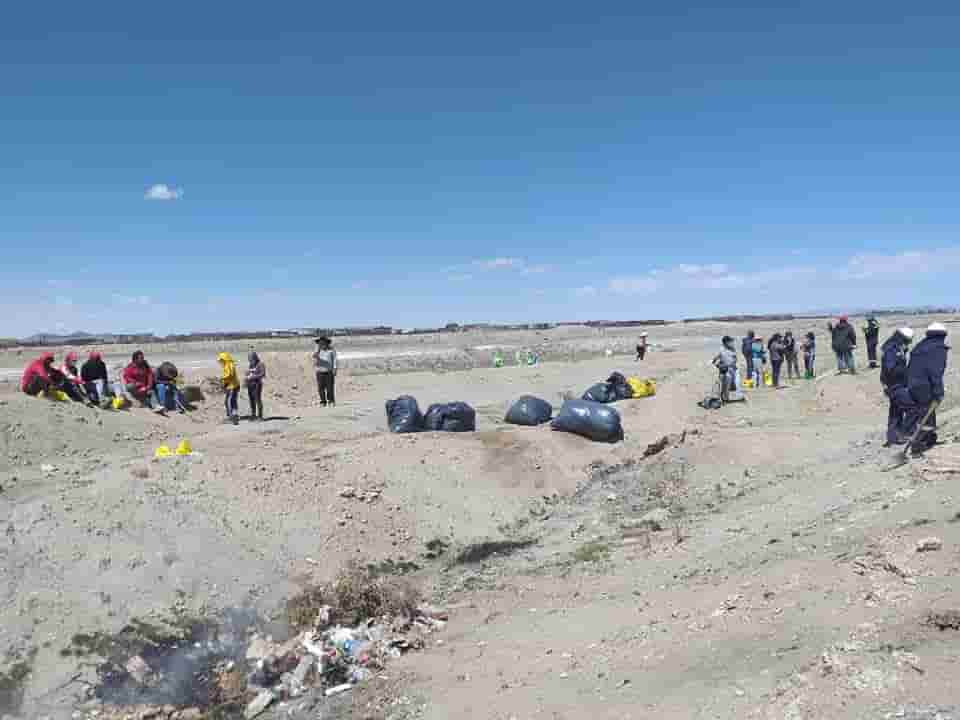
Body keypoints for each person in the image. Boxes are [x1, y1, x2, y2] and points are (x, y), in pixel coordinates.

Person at [894, 323, 949, 454]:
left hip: (913, 385)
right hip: (926, 386)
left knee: (924, 412)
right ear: (942, 335)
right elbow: (935, 372)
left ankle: (927, 438)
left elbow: (910, 368)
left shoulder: (920, 346)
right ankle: (918, 444)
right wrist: (938, 390)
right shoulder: (938, 348)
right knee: (926, 414)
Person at [880, 327, 914, 446]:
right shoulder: (892, 349)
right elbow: (890, 369)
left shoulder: (897, 347)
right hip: (895, 385)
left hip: (896, 384)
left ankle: (893, 437)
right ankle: (905, 433)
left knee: (895, 411)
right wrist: (905, 371)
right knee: (911, 407)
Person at [712, 336, 738, 404]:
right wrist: (719, 366)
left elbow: (735, 359)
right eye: (730, 342)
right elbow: (714, 360)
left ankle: (726, 398)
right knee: (722, 385)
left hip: (732, 370)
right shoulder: (721, 350)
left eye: (732, 341)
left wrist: (734, 364)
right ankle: (721, 398)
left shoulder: (733, 349)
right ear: (726, 343)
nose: (732, 343)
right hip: (724, 371)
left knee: (730, 385)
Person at [313, 337, 338, 407]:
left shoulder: (331, 350)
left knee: (330, 387)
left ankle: (331, 401)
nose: (322, 344)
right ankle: (323, 402)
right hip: (320, 371)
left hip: (329, 371)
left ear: (327, 343)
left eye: (323, 343)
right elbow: (314, 356)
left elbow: (335, 360)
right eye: (320, 343)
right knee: (320, 388)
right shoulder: (317, 351)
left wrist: (335, 368)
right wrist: (318, 350)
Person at [218, 352, 241, 425]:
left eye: (222, 360)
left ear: (225, 359)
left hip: (233, 386)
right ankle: (233, 416)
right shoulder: (227, 365)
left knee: (229, 402)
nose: (220, 362)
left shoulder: (230, 365)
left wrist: (222, 378)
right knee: (230, 401)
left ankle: (232, 417)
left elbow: (230, 375)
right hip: (231, 386)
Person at [246, 351, 266, 421]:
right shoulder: (251, 364)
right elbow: (249, 372)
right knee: (251, 400)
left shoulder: (261, 364)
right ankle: (253, 415)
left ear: (255, 357)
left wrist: (253, 376)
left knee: (257, 400)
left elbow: (263, 374)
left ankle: (260, 416)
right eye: (249, 359)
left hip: (257, 385)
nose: (250, 360)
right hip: (250, 385)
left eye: (251, 358)